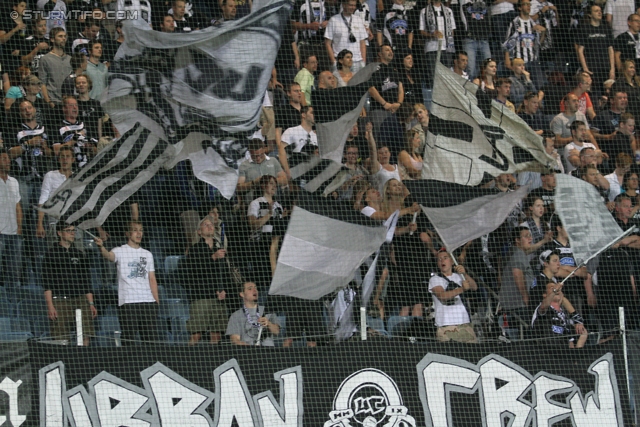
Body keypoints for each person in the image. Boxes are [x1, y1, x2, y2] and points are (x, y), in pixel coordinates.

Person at [95, 221, 160, 345]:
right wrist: (101, 246)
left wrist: (156, 301)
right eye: (135, 230)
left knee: (151, 340)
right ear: (127, 233)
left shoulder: (147, 254)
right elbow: (109, 256)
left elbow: (152, 278)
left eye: (141, 230)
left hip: (148, 302)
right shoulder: (120, 251)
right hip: (129, 302)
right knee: (129, 339)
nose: (139, 233)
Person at [43, 224, 97, 346]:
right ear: (59, 233)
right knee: (60, 336)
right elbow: (47, 282)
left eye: (73, 231)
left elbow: (86, 281)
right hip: (60, 299)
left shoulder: (79, 254)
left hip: (80, 298)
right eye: (68, 231)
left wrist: (91, 303)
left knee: (85, 332)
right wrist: (50, 306)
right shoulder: (51, 254)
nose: (72, 233)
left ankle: (83, 358)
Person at [182, 213, 230, 345]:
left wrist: (224, 290)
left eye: (211, 225)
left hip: (218, 297)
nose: (209, 226)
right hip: (201, 297)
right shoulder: (195, 250)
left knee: (216, 334)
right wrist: (213, 257)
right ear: (199, 231)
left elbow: (225, 273)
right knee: (196, 333)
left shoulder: (219, 249)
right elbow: (193, 272)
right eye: (205, 225)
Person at [531, 250, 588, 348]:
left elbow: (563, 298)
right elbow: (543, 305)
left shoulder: (553, 280)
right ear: (545, 263)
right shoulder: (540, 280)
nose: (559, 263)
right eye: (555, 261)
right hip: (543, 323)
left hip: (557, 316)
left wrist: (577, 318)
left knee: (581, 332)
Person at [428, 250, 479, 343]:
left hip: (464, 324)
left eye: (445, 258)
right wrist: (462, 289)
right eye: (439, 259)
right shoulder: (435, 279)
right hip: (446, 325)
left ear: (452, 261)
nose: (442, 261)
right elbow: (442, 296)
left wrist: (464, 274)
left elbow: (474, 287)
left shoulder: (459, 276)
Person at [576, 4, 615, 99]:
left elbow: (610, 49)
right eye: (596, 11)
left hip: (605, 68)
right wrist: (585, 68)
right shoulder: (584, 29)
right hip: (592, 69)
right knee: (594, 96)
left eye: (600, 10)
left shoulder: (606, 28)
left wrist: (612, 68)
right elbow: (580, 50)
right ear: (590, 14)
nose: (599, 12)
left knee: (607, 95)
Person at [36, 146, 74, 241]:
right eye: (62, 156)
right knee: (55, 252)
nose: (64, 159)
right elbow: (43, 199)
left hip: (74, 221)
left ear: (73, 159)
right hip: (55, 220)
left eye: (68, 156)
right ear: (58, 159)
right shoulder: (50, 175)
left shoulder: (78, 177)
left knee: (77, 252)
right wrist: (39, 223)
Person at [499, 226, 536, 324]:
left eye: (530, 236)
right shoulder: (517, 254)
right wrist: (525, 297)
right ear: (517, 240)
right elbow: (517, 274)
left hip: (513, 304)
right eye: (526, 236)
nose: (530, 239)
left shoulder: (514, 252)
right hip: (519, 305)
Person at [226, 282, 280, 346]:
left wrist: (268, 323)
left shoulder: (267, 311)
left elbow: (277, 332)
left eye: (255, 288)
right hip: (248, 352)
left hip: (268, 351)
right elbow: (235, 340)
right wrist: (252, 349)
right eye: (250, 289)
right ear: (242, 294)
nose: (254, 290)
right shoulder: (236, 315)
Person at [236, 138, 288, 203]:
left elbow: (285, 180)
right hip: (253, 204)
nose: (258, 158)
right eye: (254, 156)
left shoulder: (273, 161)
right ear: (250, 152)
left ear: (264, 150)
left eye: (260, 155)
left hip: (274, 202)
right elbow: (239, 188)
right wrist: (254, 183)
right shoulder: (244, 165)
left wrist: (269, 181)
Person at [0, 148, 23, 290]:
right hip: (0, 233)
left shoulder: (14, 181)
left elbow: (18, 206)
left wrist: (19, 228)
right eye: (3, 159)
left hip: (14, 235)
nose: (8, 161)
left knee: (14, 273)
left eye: (8, 159)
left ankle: (14, 306)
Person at [419, 0, 456, 87]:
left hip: (447, 48)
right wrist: (431, 35)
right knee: (433, 76)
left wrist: (447, 37)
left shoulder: (448, 11)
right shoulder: (424, 11)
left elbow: (452, 29)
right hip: (431, 48)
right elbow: (421, 31)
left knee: (447, 76)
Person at [324, 0, 368, 73]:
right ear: (344, 5)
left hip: (357, 61)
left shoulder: (358, 20)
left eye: (354, 5)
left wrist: (363, 61)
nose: (353, 7)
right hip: (341, 62)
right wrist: (334, 62)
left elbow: (362, 42)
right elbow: (327, 43)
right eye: (350, 5)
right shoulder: (333, 20)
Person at [38, 27, 72, 107]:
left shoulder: (70, 59)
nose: (63, 39)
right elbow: (42, 83)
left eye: (65, 36)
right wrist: (48, 101)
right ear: (52, 39)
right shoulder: (45, 59)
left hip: (69, 102)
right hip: (53, 102)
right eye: (60, 36)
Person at [459, 0, 492, 80]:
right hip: (470, 39)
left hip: (484, 39)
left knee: (489, 67)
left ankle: (485, 89)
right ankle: (470, 90)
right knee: (471, 70)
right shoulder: (464, 2)